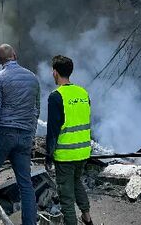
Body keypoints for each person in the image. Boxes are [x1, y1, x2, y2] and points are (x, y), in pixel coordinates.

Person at [0, 44, 40, 225]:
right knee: (25, 183)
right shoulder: (33, 78)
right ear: (15, 55)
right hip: (25, 135)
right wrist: (31, 135)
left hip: (4, 134)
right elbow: (36, 111)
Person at [46, 55, 94, 225]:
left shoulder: (56, 97)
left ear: (55, 72)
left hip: (66, 154)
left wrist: (48, 156)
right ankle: (87, 218)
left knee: (66, 196)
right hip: (83, 151)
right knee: (77, 183)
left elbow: (52, 131)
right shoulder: (83, 93)